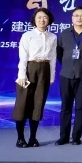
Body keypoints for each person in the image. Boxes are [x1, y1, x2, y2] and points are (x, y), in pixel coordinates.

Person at [15, 8, 56, 148]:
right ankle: (20, 138)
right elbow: (23, 56)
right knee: (22, 104)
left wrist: (51, 76)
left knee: (38, 104)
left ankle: (33, 138)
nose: (42, 20)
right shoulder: (28, 35)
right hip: (29, 69)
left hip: (45, 70)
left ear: (49, 20)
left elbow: (53, 58)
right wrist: (22, 75)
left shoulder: (53, 37)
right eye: (39, 17)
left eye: (45, 17)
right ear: (34, 20)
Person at [56, 6, 82, 145]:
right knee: (65, 107)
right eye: (76, 15)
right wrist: (68, 65)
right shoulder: (65, 33)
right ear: (72, 18)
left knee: (80, 107)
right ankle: (63, 137)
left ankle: (76, 137)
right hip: (66, 75)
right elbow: (59, 53)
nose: (79, 18)